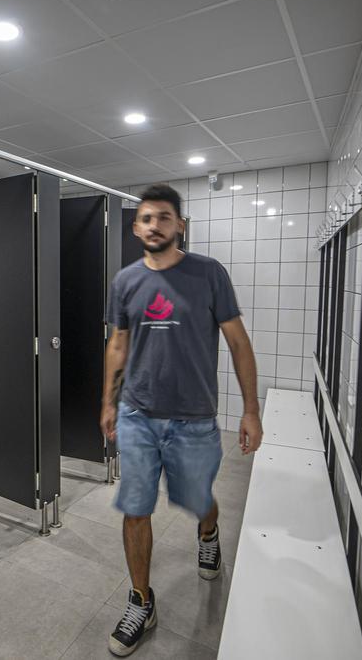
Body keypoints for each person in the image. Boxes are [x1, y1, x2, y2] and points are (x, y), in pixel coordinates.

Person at [100, 183, 263, 656]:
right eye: (147, 219)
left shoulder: (209, 274)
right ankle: (141, 601)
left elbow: (238, 342)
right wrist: (109, 402)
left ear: (180, 225)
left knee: (198, 501)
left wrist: (251, 409)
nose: (155, 225)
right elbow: (118, 344)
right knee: (136, 508)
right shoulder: (125, 281)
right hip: (138, 413)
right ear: (136, 228)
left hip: (193, 417)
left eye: (164, 218)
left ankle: (208, 532)